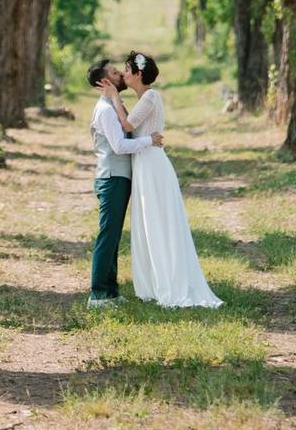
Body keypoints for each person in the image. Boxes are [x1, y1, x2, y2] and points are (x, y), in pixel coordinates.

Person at [98, 51, 223, 308]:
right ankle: (154, 282)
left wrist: (114, 98)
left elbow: (128, 126)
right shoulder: (143, 98)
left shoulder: (151, 96)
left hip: (152, 165)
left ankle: (170, 281)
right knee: (147, 223)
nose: (123, 74)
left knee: (158, 221)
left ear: (139, 74)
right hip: (143, 164)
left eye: (127, 70)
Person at [86, 59, 164, 308]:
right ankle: (98, 293)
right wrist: (149, 141)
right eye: (115, 73)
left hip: (120, 177)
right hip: (112, 178)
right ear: (106, 81)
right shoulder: (106, 110)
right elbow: (119, 147)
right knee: (107, 235)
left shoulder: (113, 105)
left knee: (114, 235)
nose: (121, 74)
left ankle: (110, 291)